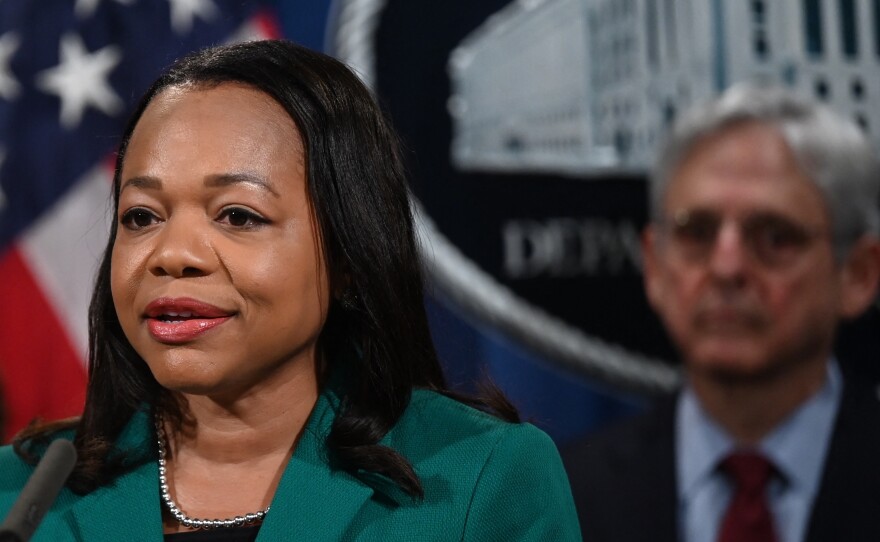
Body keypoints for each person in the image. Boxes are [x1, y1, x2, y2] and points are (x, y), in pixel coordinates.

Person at [0, 39, 581, 541]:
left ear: (349, 253)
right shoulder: (18, 495)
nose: (172, 254)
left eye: (238, 215)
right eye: (142, 216)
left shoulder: (483, 478)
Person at [562, 83, 880, 542]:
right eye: (697, 232)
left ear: (857, 274)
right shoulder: (566, 497)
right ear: (654, 266)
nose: (727, 267)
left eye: (774, 237)